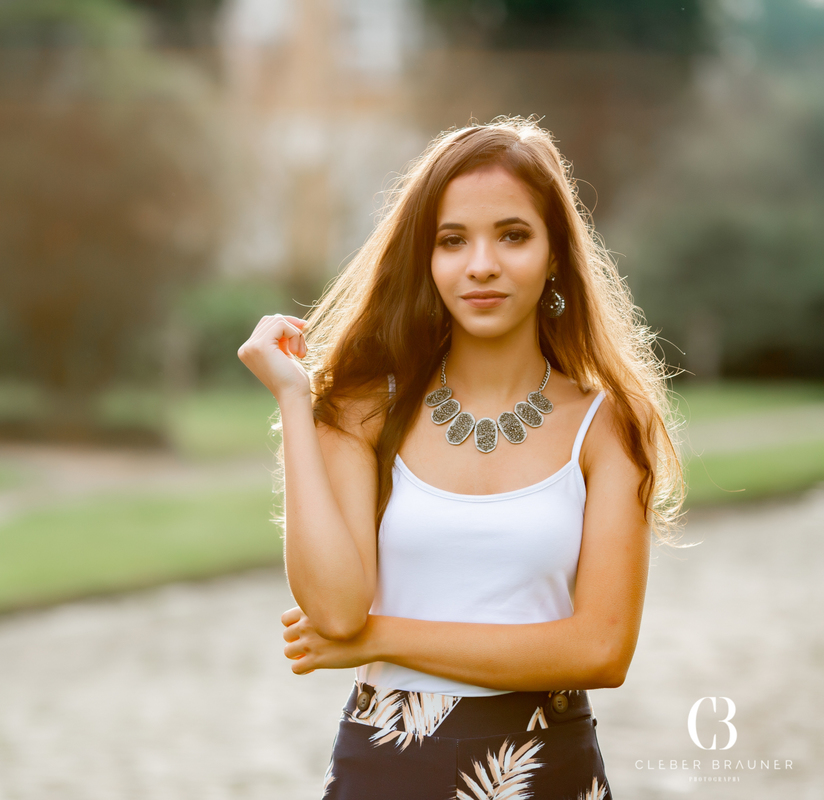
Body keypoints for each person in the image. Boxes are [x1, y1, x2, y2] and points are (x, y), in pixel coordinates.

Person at [236, 117, 685, 800]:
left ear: (556, 252)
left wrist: (379, 638)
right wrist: (296, 403)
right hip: (384, 762)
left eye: (513, 235)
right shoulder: (362, 410)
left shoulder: (608, 425)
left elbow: (601, 650)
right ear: (427, 258)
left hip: (545, 766)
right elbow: (333, 610)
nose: (481, 265)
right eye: (452, 240)